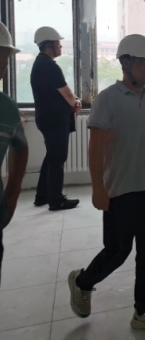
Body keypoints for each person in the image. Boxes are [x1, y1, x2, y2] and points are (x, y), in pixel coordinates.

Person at [67, 34, 145, 332]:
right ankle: (82, 282)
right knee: (117, 251)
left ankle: (144, 310)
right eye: (144, 63)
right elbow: (96, 147)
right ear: (125, 62)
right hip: (120, 191)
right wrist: (98, 188)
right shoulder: (108, 99)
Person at [30, 26, 80, 211]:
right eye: (58, 43)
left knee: (52, 156)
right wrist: (76, 102)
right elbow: (67, 93)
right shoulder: (49, 66)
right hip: (54, 120)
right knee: (58, 159)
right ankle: (56, 200)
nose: (60, 47)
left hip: (46, 118)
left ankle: (42, 195)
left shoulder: (40, 63)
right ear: (49, 44)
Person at [0, 22, 29, 287]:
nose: (4, 69)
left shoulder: (6, 108)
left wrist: (13, 193)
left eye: (5, 61)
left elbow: (21, 146)